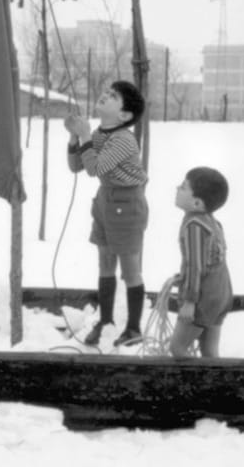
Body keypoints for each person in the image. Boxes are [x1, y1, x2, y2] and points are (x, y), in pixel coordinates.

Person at [64, 80, 148, 347]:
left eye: (113, 96)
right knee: (105, 262)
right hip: (105, 200)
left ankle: (134, 327)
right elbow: (77, 165)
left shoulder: (124, 140)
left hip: (127, 203)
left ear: (124, 116)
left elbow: (95, 169)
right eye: (107, 92)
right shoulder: (100, 133)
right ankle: (106, 320)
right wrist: (75, 137)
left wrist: (86, 136)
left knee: (130, 268)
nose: (105, 95)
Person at [169, 167, 233, 358]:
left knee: (178, 349)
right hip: (221, 293)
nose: (177, 188)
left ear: (196, 203)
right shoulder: (213, 222)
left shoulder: (193, 226)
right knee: (209, 352)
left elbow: (195, 265)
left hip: (203, 298)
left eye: (183, 187)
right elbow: (210, 261)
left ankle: (191, 386)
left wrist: (190, 301)